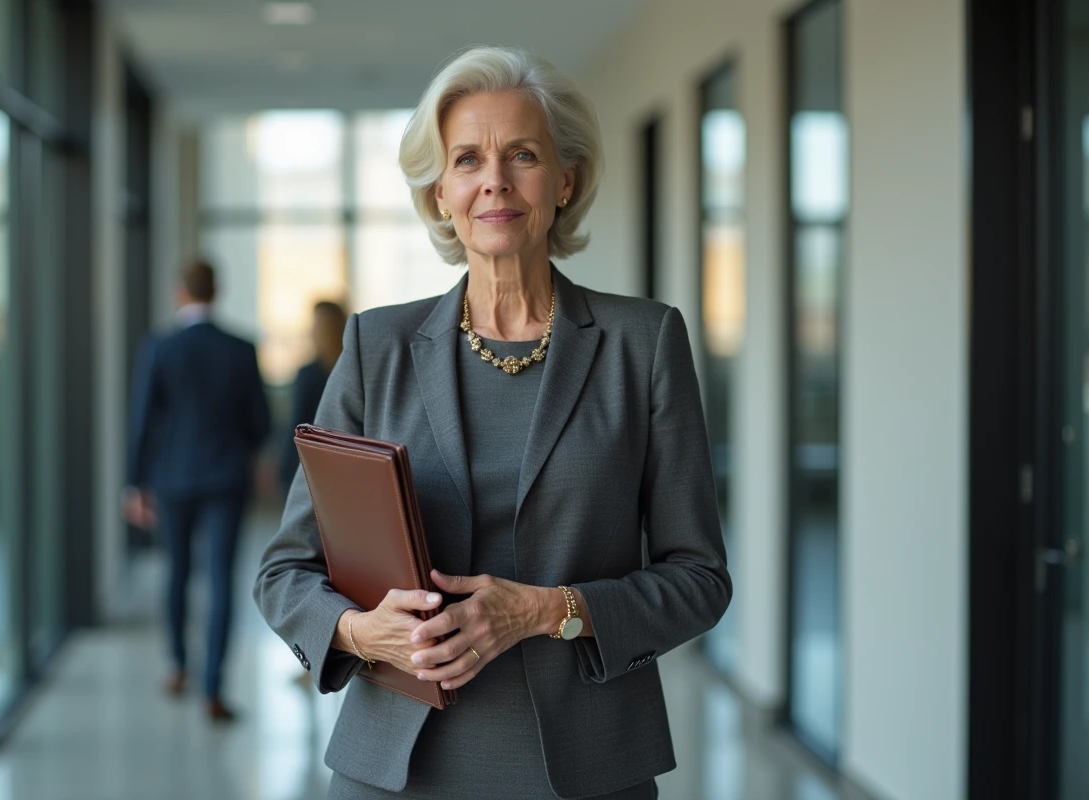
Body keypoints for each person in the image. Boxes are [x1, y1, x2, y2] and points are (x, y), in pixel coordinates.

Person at [254, 46, 730, 798]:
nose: (494, 182)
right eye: (468, 159)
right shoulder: (375, 347)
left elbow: (699, 578)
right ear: (440, 192)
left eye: (523, 155)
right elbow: (286, 572)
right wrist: (357, 631)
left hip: (588, 769)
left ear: (565, 179)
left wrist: (550, 611)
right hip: (394, 770)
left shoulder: (645, 342)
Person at [125, 258, 271, 723]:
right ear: (218, 290)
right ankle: (213, 688)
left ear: (178, 292)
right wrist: (239, 450)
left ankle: (176, 665)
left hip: (173, 477)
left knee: (178, 572)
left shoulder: (162, 346)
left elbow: (143, 420)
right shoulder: (241, 348)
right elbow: (261, 421)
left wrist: (136, 482)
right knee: (223, 578)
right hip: (226, 476)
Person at [279, 300, 348, 492]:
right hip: (346, 464)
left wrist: (284, 470)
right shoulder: (351, 369)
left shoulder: (309, 373)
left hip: (309, 466)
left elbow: (298, 424)